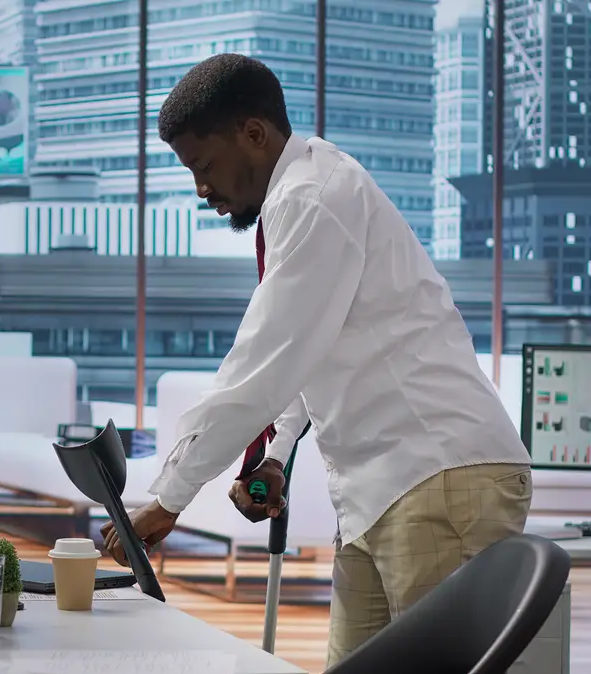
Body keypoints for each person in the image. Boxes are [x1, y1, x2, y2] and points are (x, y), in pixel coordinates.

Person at [99, 54, 532, 666]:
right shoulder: (303, 195)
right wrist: (274, 456)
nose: (201, 190)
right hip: (384, 492)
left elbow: (263, 363)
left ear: (253, 134)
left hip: (439, 478)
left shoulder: (313, 198)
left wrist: (170, 497)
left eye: (204, 166)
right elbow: (309, 345)